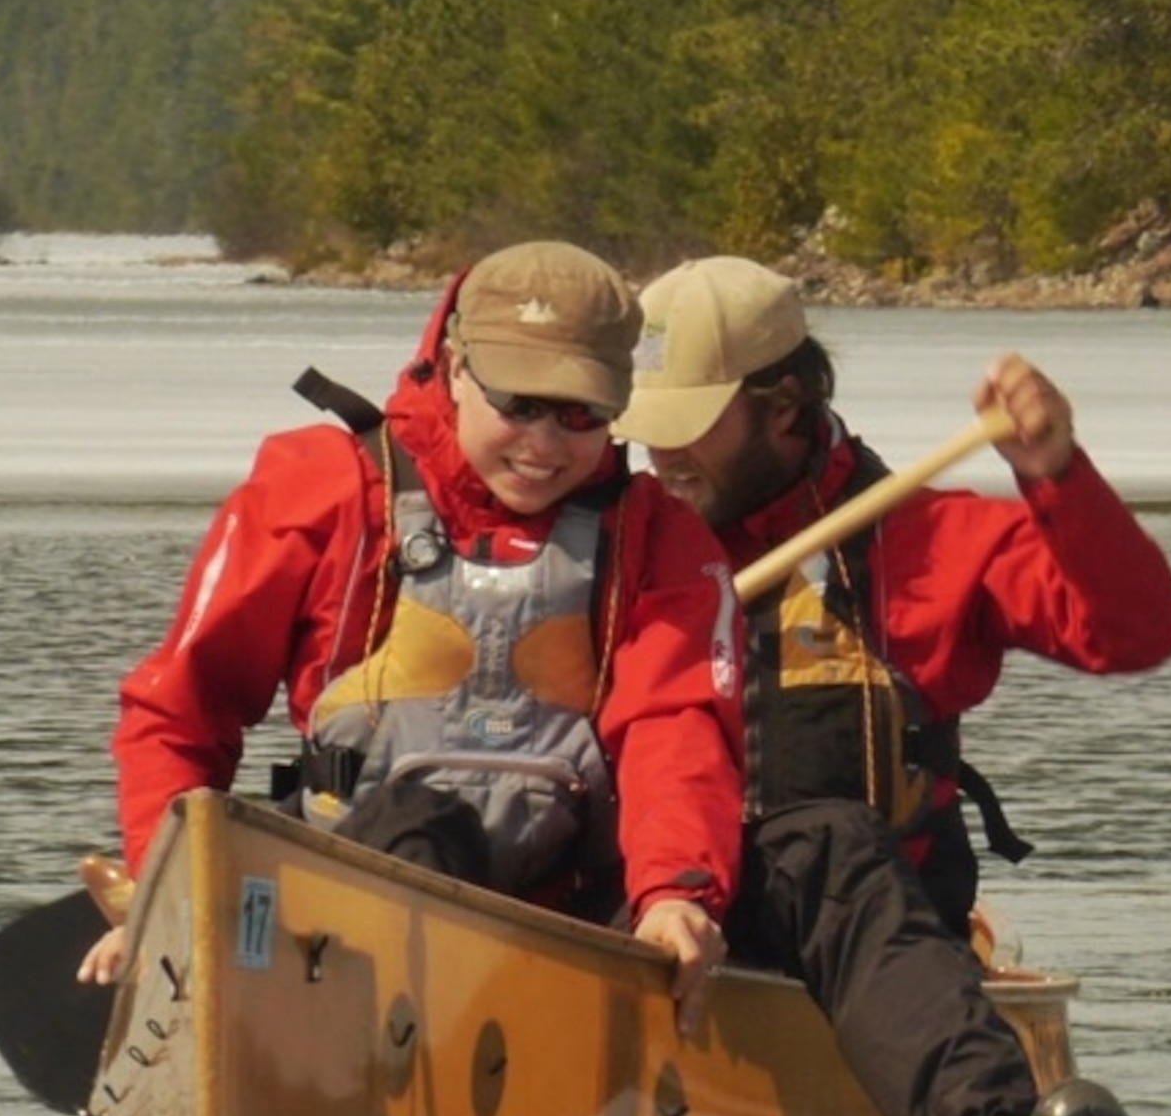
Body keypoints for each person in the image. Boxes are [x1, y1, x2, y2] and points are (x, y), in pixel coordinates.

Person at [611, 256, 1171, 1116]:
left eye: (691, 423)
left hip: (857, 943)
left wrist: (1055, 473)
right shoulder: (625, 548)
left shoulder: (933, 545)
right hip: (657, 917)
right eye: (647, 423)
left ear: (787, 411)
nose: (660, 452)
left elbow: (1134, 630)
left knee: (823, 844)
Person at [81, 241, 743, 1029]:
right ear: (457, 368)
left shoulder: (660, 540)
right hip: (344, 898)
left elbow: (677, 731)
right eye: (519, 404)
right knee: (418, 824)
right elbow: (182, 710)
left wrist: (674, 895)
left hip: (562, 918)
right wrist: (170, 892)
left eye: (580, 416)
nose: (544, 444)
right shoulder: (325, 489)